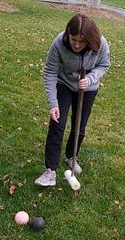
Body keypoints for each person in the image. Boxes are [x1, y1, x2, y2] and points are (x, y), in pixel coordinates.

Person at [35, 14, 110, 187]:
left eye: (81, 41)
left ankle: (71, 156)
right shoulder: (59, 43)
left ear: (89, 39)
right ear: (68, 33)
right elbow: (50, 72)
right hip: (64, 84)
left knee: (79, 127)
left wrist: (90, 79)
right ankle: (50, 171)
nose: (76, 45)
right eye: (73, 39)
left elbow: (104, 65)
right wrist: (53, 103)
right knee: (57, 124)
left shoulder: (100, 43)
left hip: (88, 88)